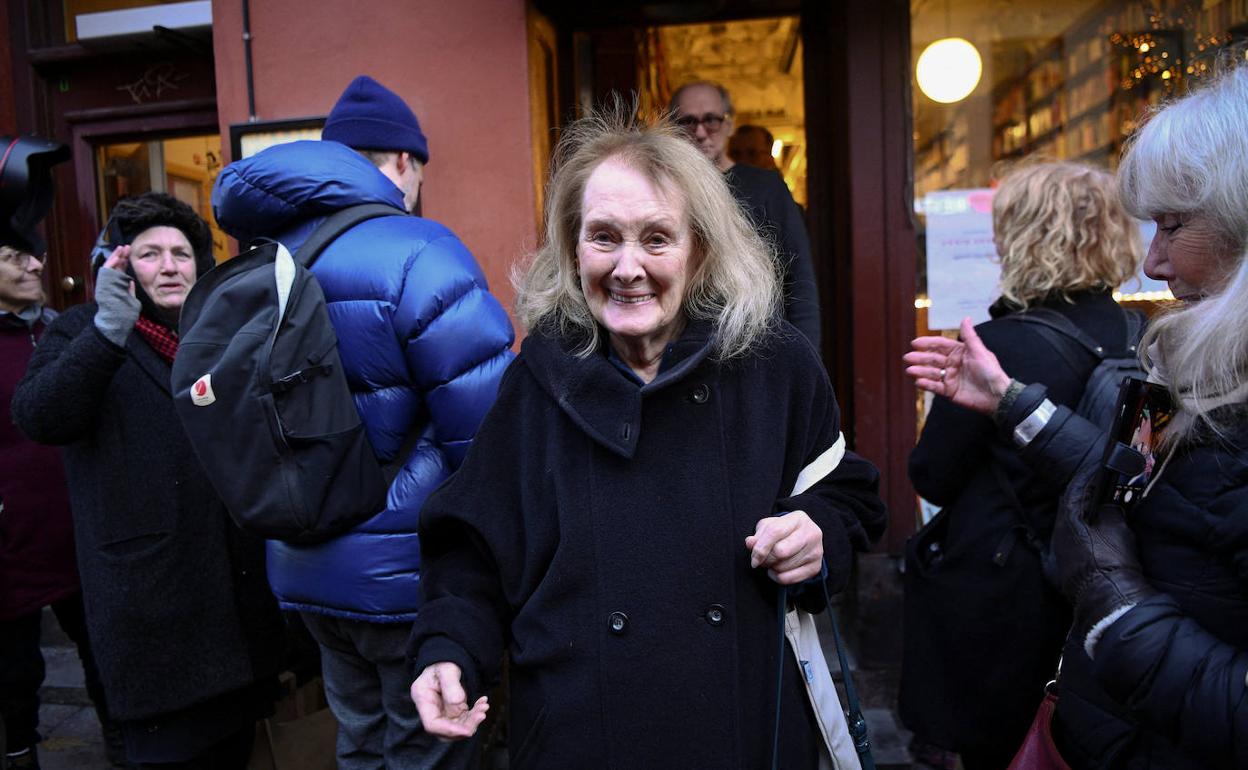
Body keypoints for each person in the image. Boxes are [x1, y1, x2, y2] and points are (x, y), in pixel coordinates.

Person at [407, 110, 886, 768]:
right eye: (604, 237)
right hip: (581, 736)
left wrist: (817, 532)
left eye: (656, 239)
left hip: (744, 731)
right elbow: (473, 552)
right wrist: (449, 649)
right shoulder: (538, 383)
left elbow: (850, 495)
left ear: (700, 250)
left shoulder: (776, 367)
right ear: (573, 249)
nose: (627, 267)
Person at [905, 63, 1248, 769]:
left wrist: (1114, 604)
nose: (1153, 263)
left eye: (1173, 225)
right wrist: (1010, 404)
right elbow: (1138, 482)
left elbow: (931, 474)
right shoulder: (1169, 352)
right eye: (1147, 227)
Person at [211, 74, 515, 770]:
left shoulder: (264, 260)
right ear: (403, 162)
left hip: (306, 566)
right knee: (427, 748)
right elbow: (490, 435)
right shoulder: (417, 250)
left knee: (359, 740)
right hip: (411, 579)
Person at [11, 192, 287, 769]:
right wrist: (110, 330)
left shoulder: (216, 335)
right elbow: (40, 415)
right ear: (120, 266)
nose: (169, 266)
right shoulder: (86, 329)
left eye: (182, 254)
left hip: (234, 603)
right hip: (152, 614)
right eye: (150, 254)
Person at [897, 161, 1143, 770]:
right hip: (1108, 586)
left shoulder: (996, 346)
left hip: (1006, 596)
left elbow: (932, 474)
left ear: (1024, 236)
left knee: (1003, 749)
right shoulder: (1142, 334)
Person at [0, 135, 121, 770]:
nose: (35, 266)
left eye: (36, 256)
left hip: (75, 533)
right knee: (13, 678)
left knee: (104, 654)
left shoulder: (60, 332)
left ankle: (121, 749)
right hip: (8, 547)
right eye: (15, 257)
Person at [670, 81, 822, 349]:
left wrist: (807, 361)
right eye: (688, 121)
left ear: (728, 125)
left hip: (758, 353)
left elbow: (799, 280)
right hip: (682, 353)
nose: (701, 131)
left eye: (711, 120)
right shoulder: (663, 191)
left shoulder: (767, 187)